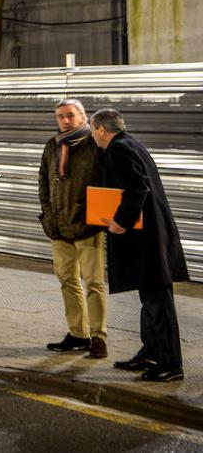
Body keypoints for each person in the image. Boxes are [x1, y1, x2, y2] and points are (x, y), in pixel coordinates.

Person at [91, 108, 189, 382]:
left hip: (148, 241)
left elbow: (138, 187)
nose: (92, 134)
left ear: (101, 129)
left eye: (92, 129)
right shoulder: (131, 143)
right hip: (151, 238)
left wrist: (121, 220)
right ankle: (151, 351)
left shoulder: (119, 149)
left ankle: (171, 364)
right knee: (150, 300)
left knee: (159, 303)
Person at [37, 99, 108, 359]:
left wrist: (98, 217)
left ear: (83, 116)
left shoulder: (94, 144)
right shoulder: (53, 146)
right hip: (59, 227)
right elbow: (43, 180)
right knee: (67, 281)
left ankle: (98, 337)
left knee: (94, 283)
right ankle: (78, 333)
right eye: (60, 116)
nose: (65, 120)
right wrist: (48, 214)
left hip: (87, 227)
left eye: (70, 115)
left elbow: (106, 180)